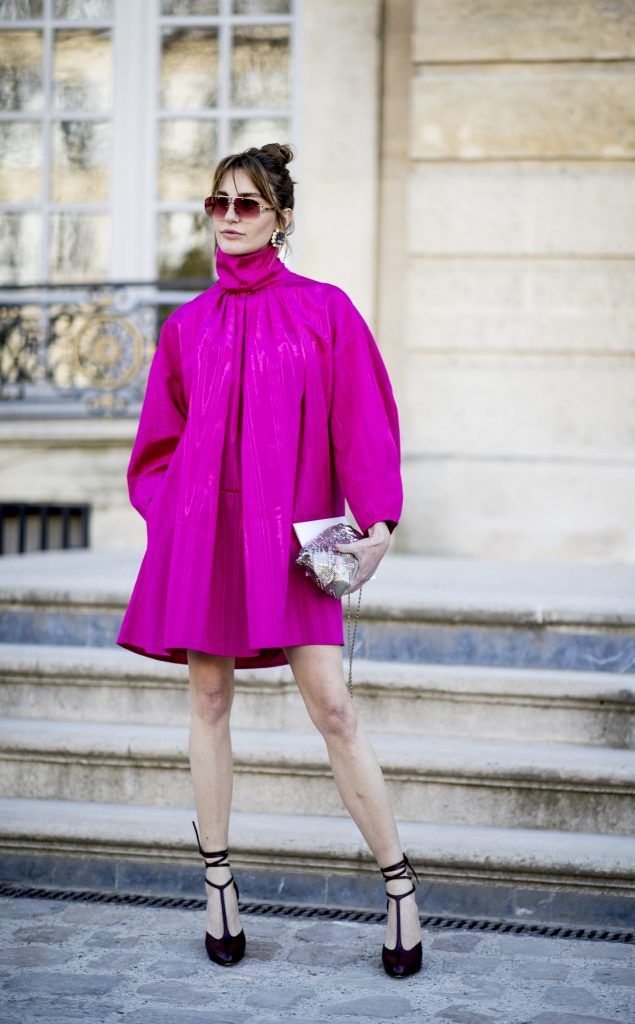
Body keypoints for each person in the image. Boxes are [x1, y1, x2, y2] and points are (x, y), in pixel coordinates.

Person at [116, 143, 422, 979]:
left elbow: (364, 423)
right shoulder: (186, 326)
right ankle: (217, 881)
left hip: (299, 537)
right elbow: (156, 448)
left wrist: (378, 523)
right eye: (217, 203)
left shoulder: (326, 311)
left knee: (334, 709)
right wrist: (174, 519)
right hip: (206, 539)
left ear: (280, 218)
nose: (229, 217)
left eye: (246, 204)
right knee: (209, 700)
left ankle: (399, 885)